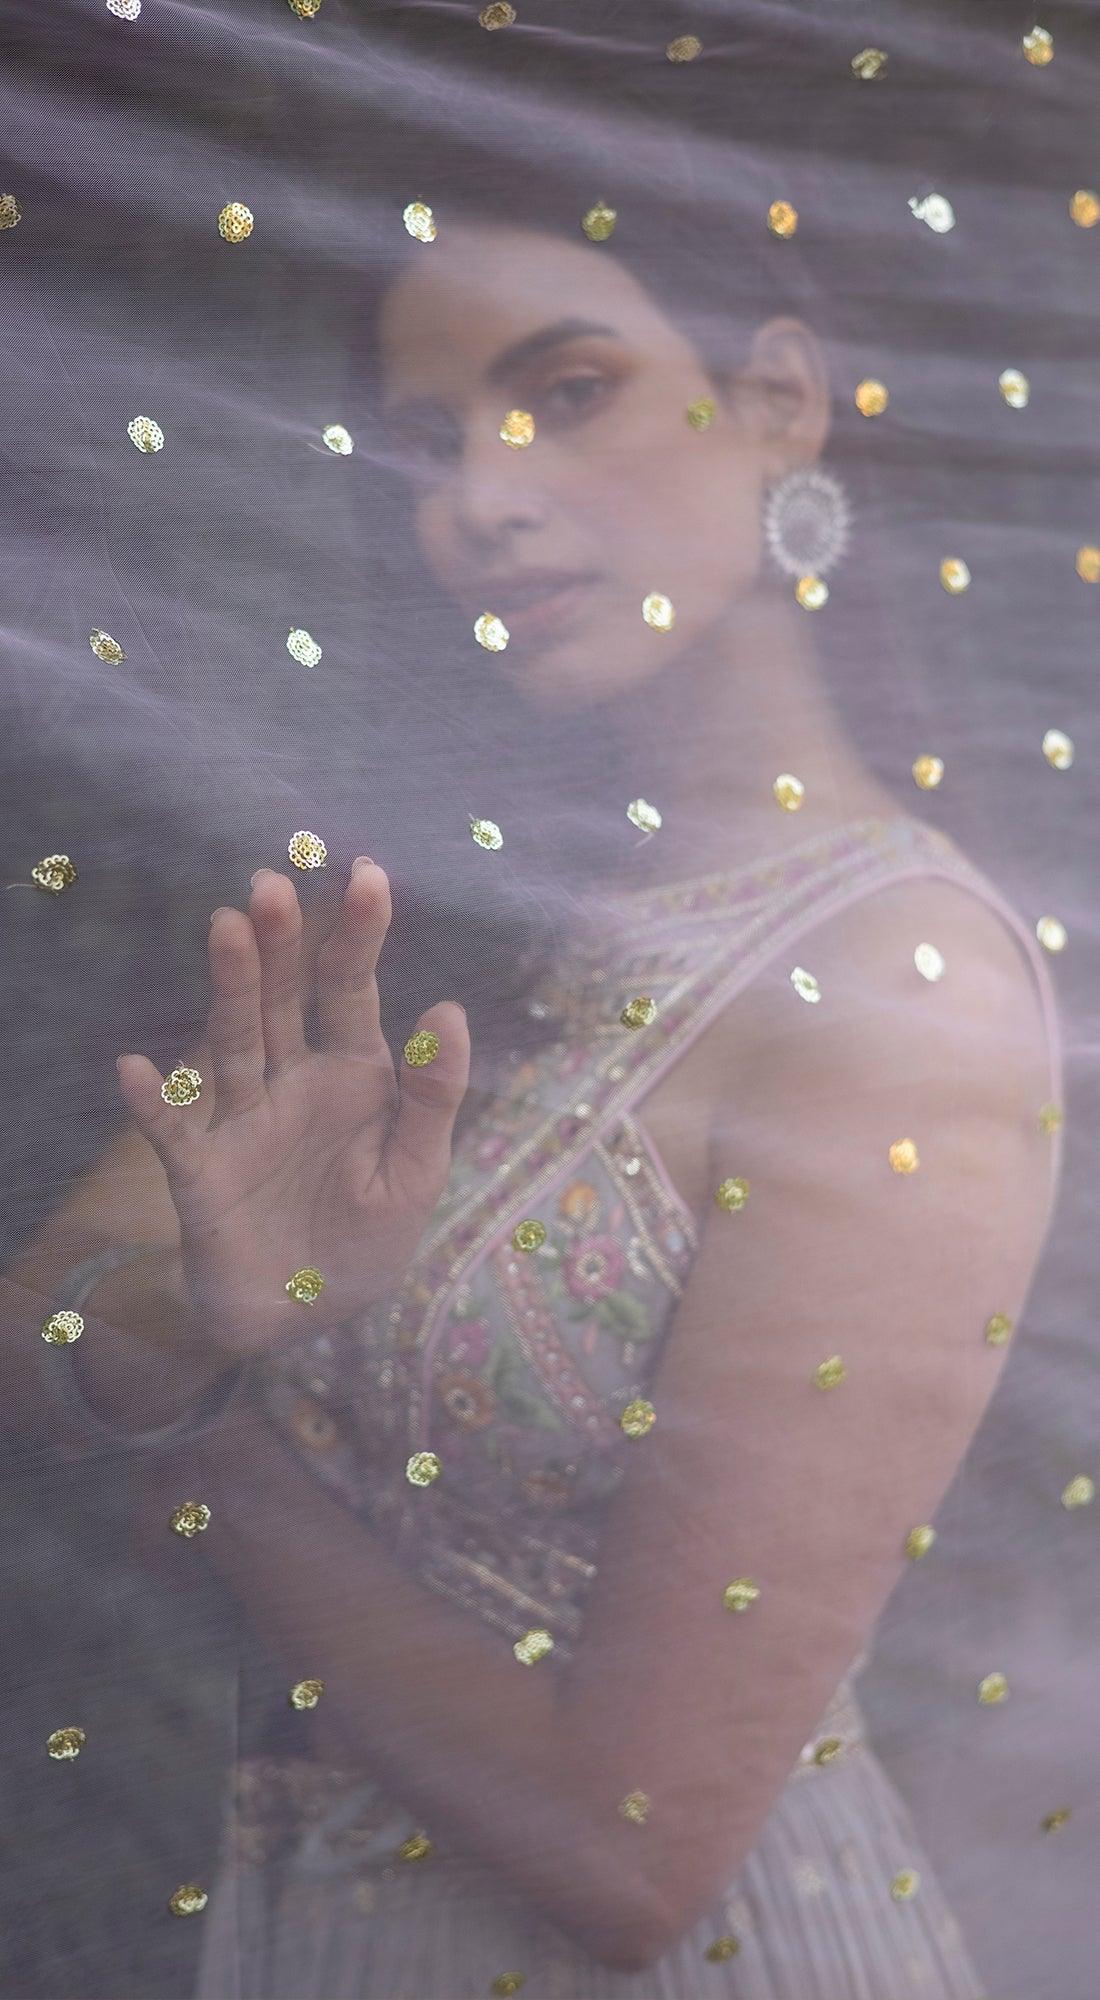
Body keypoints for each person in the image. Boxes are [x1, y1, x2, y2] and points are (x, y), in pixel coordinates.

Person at [1, 3, 1090, 1997]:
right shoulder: (447, 917)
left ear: (778, 403)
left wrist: (203, 1440)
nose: (477, 504)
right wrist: (180, 1316)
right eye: (429, 445)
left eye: (565, 394)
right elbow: (32, 1336)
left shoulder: (899, 987)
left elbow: (632, 1843)